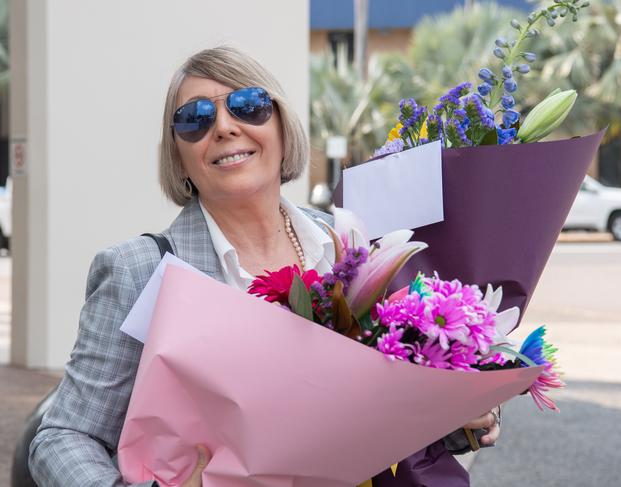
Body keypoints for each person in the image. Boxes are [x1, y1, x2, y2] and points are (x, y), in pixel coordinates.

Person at [28, 46, 500, 487]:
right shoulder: (140, 269)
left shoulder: (350, 244)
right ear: (178, 154)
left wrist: (457, 417)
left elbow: (394, 408)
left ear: (280, 125)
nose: (225, 127)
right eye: (194, 119)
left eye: (248, 105)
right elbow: (61, 438)